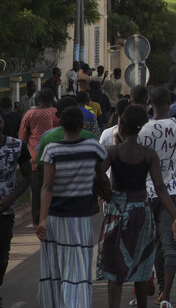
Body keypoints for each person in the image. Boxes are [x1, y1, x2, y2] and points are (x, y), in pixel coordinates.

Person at [97, 105, 176, 308]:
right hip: (141, 214)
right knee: (142, 268)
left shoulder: (113, 152)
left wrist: (105, 194)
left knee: (115, 271)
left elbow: (97, 175)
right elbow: (160, 188)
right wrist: (175, 216)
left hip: (116, 213)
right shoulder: (149, 154)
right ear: (142, 127)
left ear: (122, 127)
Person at [37, 106, 110, 308]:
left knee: (53, 268)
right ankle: (77, 303)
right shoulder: (92, 147)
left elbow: (47, 186)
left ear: (61, 124)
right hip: (80, 218)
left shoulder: (52, 150)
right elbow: (101, 177)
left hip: (53, 218)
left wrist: (42, 219)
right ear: (82, 125)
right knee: (78, 267)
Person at [139, 88, 176, 307]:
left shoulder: (143, 129)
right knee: (173, 243)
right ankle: (167, 294)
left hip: (148, 192)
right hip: (174, 193)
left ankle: (160, 285)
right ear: (170, 102)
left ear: (150, 103)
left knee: (155, 244)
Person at [0, 115, 30, 297]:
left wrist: (12, 197)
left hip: (6, 210)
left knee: (3, 254)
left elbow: (28, 176)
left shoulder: (17, 146)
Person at [19, 87, 57, 226]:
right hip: (53, 157)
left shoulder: (30, 114)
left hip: (34, 158)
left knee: (36, 191)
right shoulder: (55, 113)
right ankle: (50, 217)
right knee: (51, 187)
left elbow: (22, 137)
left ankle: (36, 221)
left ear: (38, 99)